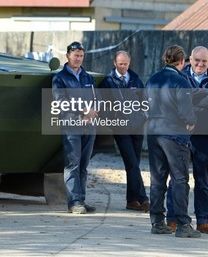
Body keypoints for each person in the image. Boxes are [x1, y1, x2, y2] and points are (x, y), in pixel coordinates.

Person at [166, 46, 208, 235]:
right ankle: (173, 219)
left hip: (205, 137)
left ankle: (203, 221)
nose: (200, 64)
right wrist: (204, 94)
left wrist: (190, 97)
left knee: (202, 181)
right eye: (197, 60)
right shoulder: (179, 77)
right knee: (177, 179)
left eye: (204, 61)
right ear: (189, 59)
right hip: (181, 134)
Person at [145, 45, 200, 238]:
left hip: (153, 133)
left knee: (157, 179)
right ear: (182, 61)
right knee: (179, 179)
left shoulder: (152, 79)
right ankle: (183, 224)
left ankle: (157, 221)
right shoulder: (181, 81)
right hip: (174, 134)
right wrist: (192, 122)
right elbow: (186, 112)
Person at [51, 41, 99, 214]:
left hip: (89, 126)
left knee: (83, 166)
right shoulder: (60, 78)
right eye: (75, 55)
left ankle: (81, 200)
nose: (78, 59)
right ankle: (74, 202)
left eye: (81, 56)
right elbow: (60, 102)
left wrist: (93, 112)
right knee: (73, 165)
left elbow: (97, 98)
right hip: (71, 125)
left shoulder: (88, 77)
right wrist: (84, 110)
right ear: (68, 56)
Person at [99, 50, 149, 212]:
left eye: (126, 64)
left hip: (137, 126)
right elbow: (102, 103)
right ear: (114, 63)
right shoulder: (108, 81)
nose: (123, 67)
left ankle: (131, 200)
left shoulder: (135, 79)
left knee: (134, 164)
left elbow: (145, 100)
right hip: (120, 126)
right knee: (131, 162)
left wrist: (143, 116)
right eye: (120, 64)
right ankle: (143, 198)